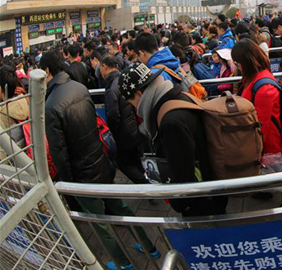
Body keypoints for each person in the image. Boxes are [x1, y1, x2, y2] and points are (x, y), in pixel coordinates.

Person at [41, 51, 158, 270]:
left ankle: (123, 263)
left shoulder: (51, 105)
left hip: (81, 174)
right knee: (120, 207)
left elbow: (59, 151)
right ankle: (150, 246)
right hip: (100, 161)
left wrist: (68, 184)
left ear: (47, 71)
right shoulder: (79, 88)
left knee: (100, 223)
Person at [119, 63, 228, 217]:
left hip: (202, 200)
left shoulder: (170, 122)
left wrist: (179, 204)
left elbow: (183, 173)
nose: (134, 109)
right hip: (212, 186)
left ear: (138, 94)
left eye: (131, 103)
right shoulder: (177, 96)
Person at [232, 39, 282, 206]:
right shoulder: (257, 76)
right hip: (265, 134)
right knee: (271, 168)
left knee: (276, 169)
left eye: (238, 63)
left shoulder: (263, 86)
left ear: (246, 62)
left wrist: (256, 145)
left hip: (268, 136)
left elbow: (261, 122)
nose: (237, 67)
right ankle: (265, 191)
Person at [100, 54, 148, 184]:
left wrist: (113, 132)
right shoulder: (123, 79)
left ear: (104, 66)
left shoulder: (111, 87)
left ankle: (145, 185)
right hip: (134, 128)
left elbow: (113, 115)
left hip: (123, 133)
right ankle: (148, 183)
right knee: (137, 161)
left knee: (125, 164)